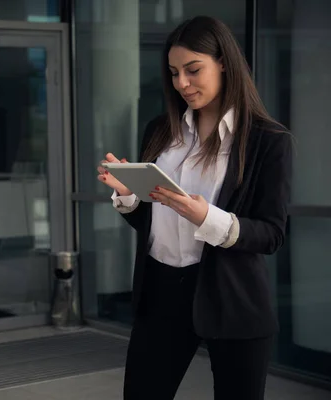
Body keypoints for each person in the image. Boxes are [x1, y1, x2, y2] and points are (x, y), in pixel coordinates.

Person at [97, 16, 293, 400]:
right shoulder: (160, 131)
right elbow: (154, 223)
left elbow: (272, 234)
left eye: (193, 70)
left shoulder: (268, 141)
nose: (181, 83)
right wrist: (128, 196)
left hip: (232, 298)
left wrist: (209, 219)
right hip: (161, 292)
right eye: (173, 73)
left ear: (224, 63)